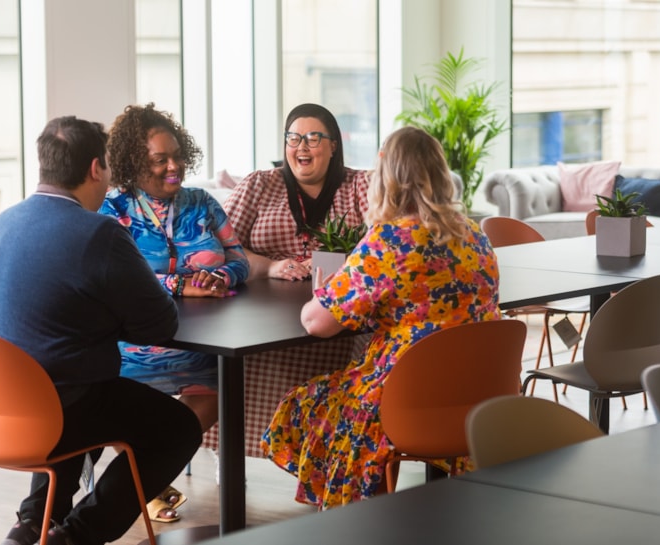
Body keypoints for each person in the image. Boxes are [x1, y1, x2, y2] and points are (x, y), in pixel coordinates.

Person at [0, 116, 201, 545]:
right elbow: (160, 324)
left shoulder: (4, 220)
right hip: (50, 414)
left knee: (85, 389)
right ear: (96, 169)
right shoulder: (99, 232)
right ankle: (76, 537)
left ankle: (31, 526)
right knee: (176, 427)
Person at [261, 126, 502, 509]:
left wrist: (330, 286)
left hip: (406, 396)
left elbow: (317, 323)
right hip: (478, 393)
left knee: (307, 403)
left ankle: (361, 515)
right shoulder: (475, 235)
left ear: (385, 178)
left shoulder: (388, 242)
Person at [99, 103, 249, 521]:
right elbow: (116, 280)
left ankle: (148, 470)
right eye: (159, 160)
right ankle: (148, 476)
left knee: (223, 388)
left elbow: (240, 259)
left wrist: (224, 278)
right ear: (133, 163)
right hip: (134, 345)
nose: (173, 166)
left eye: (177, 156)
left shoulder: (203, 203)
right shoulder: (113, 213)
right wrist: (181, 285)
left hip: (199, 347)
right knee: (106, 399)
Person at [220, 103, 371, 459]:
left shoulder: (359, 184)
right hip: (261, 318)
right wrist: (269, 266)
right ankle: (232, 456)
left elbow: (383, 238)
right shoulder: (260, 184)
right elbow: (220, 246)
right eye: (293, 137)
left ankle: (334, 455)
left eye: (313, 138)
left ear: (333, 145)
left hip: (336, 317)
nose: (301, 146)